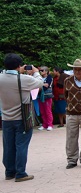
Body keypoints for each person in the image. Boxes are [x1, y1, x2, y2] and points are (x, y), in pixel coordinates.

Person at [0, 54, 43, 182]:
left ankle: (9, 172)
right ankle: (20, 173)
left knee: (8, 146)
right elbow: (40, 83)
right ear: (19, 66)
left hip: (6, 118)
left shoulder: (1, 78)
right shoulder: (23, 79)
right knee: (21, 145)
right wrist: (35, 72)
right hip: (22, 118)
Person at [37, 66, 54, 131]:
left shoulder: (49, 77)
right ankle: (44, 124)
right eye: (40, 70)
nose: (40, 72)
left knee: (48, 111)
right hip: (40, 96)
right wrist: (43, 84)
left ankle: (50, 124)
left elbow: (47, 85)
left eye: (42, 70)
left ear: (46, 71)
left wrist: (41, 85)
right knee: (42, 111)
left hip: (47, 96)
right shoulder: (39, 78)